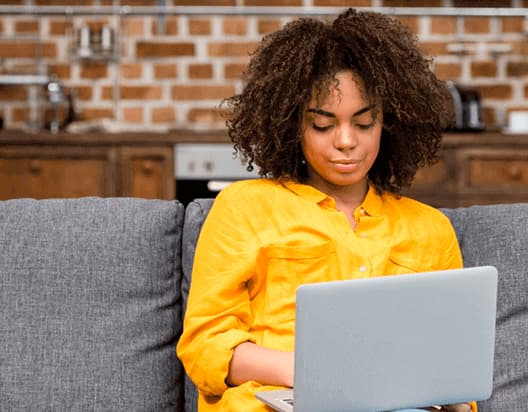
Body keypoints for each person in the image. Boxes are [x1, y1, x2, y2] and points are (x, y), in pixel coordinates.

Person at [177, 8, 475, 412]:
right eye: (323, 125)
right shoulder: (244, 207)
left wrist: (446, 394)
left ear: (390, 123)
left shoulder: (429, 229)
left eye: (364, 122)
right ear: (292, 124)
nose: (346, 141)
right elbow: (205, 345)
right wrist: (305, 370)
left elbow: (453, 367)